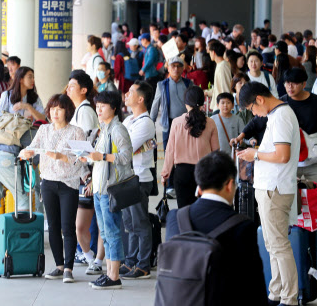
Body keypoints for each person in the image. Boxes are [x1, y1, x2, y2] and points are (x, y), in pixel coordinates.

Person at [165, 151, 267, 304]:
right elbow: (254, 290)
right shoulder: (243, 227)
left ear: (199, 187)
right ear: (230, 184)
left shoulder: (175, 218)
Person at [236, 81, 300, 306]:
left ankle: (289, 297)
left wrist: (256, 154)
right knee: (272, 244)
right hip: (271, 187)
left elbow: (282, 155)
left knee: (278, 245)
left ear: (259, 99)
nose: (254, 114)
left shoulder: (281, 116)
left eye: (252, 109)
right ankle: (276, 292)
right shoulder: (276, 115)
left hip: (275, 188)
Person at [20, 94, 89, 283]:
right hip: (48, 182)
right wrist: (26, 152)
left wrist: (60, 157)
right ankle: (59, 265)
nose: (54, 112)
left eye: (59, 109)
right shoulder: (43, 129)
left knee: (68, 227)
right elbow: (32, 148)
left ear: (68, 111)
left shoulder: (77, 131)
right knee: (53, 226)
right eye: (52, 109)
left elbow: (81, 160)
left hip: (69, 183)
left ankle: (68, 268)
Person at [0, 67, 46, 244]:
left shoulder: (33, 99)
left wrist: (26, 107)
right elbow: (1, 119)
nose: (32, 80)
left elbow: (43, 119)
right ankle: (22, 241)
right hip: (7, 155)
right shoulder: (6, 96)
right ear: (20, 79)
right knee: (23, 198)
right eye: (29, 76)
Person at [80, 90, 134, 290]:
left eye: (103, 106)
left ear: (113, 108)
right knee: (105, 232)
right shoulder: (104, 128)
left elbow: (125, 157)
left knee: (111, 232)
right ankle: (110, 274)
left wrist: (101, 156)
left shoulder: (118, 129)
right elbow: (101, 159)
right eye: (97, 106)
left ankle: (114, 276)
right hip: (100, 188)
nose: (99, 109)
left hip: (110, 190)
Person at [65, 70, 105, 271]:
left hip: (89, 173)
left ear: (83, 89)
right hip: (83, 172)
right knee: (84, 221)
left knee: (95, 220)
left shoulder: (85, 111)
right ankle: (90, 257)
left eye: (72, 85)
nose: (68, 88)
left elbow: (87, 144)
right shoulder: (79, 109)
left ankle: (95, 259)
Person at [120, 81, 156, 280]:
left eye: (131, 92)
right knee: (129, 223)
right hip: (126, 178)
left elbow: (126, 148)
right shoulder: (127, 121)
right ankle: (131, 261)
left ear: (141, 99)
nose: (126, 94)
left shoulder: (145, 122)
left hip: (139, 178)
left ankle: (143, 265)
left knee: (140, 223)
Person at [162, 86, 219, 208]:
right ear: (203, 102)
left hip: (182, 173)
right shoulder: (210, 122)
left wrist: (165, 174)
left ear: (186, 103)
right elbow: (216, 151)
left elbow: (170, 150)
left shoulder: (177, 122)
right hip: (204, 172)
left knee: (184, 211)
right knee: (203, 209)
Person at [281, 68, 317, 199]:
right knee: (290, 196)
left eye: (294, 83)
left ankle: (314, 220)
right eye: (287, 83)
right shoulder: (281, 103)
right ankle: (296, 220)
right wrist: (244, 134)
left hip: (315, 157)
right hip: (291, 158)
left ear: (304, 84)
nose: (290, 86)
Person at [150, 56, 192, 199]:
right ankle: (170, 186)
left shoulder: (188, 83)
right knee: (170, 154)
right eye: (173, 66)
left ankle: (184, 183)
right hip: (169, 124)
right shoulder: (162, 85)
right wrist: (150, 124)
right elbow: (155, 105)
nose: (175, 68)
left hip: (186, 124)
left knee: (185, 153)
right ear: (168, 68)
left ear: (182, 69)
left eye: (178, 66)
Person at [211, 93, 245, 157]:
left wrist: (250, 140)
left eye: (228, 103)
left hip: (233, 155)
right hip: (216, 156)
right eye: (222, 103)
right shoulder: (212, 120)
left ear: (232, 105)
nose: (225, 105)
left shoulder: (238, 119)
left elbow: (244, 135)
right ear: (217, 105)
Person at [205, 40, 232, 112]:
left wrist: (224, 107)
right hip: (220, 105)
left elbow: (225, 88)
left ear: (213, 52)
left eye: (210, 52)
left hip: (221, 107)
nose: (209, 54)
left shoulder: (222, 66)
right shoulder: (220, 65)